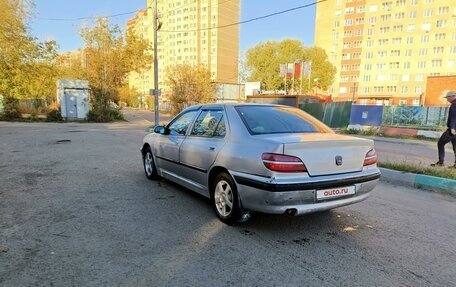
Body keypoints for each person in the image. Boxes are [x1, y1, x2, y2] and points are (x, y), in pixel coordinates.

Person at [431, 91, 456, 168]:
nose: (447, 99)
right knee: (455, 147)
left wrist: (452, 128)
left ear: (452, 96)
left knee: (440, 143)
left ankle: (441, 162)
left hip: (452, 130)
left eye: (447, 97)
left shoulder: (454, 105)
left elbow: (453, 116)